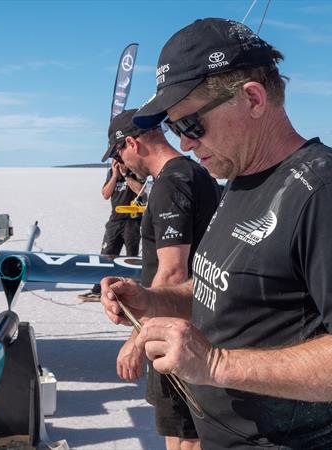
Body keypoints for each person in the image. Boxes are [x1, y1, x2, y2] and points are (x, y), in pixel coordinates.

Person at [100, 18, 332, 449]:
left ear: (252, 98)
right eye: (174, 130)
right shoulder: (241, 178)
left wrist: (214, 362)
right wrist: (153, 300)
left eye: (191, 125)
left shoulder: (328, 193)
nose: (185, 144)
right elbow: (225, 291)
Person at [101, 109, 220, 450]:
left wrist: (136, 340)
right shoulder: (196, 174)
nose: (122, 163)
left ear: (132, 143)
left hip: (177, 331)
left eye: (118, 154)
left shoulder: (171, 181)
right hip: (198, 322)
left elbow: (173, 271)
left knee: (185, 437)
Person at [77, 158, 144, 301]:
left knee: (131, 258)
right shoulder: (112, 173)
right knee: (106, 256)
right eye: (116, 160)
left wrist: (126, 175)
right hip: (115, 221)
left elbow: (141, 191)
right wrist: (114, 175)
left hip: (132, 222)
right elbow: (105, 194)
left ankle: (131, 290)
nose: (119, 163)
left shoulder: (136, 172)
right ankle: (98, 289)